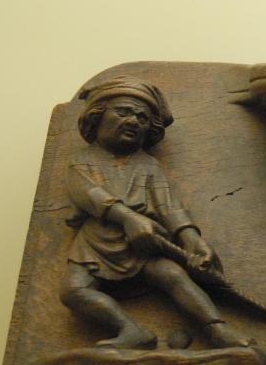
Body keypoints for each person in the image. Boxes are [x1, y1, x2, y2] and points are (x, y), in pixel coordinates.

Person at [59, 76, 251, 350]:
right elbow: (90, 195)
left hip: (145, 246)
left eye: (142, 118)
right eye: (123, 112)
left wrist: (192, 239)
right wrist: (129, 218)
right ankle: (131, 329)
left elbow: (168, 206)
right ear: (96, 117)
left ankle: (217, 329)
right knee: (74, 291)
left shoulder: (148, 166)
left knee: (173, 276)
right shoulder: (81, 162)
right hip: (96, 245)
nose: (133, 121)